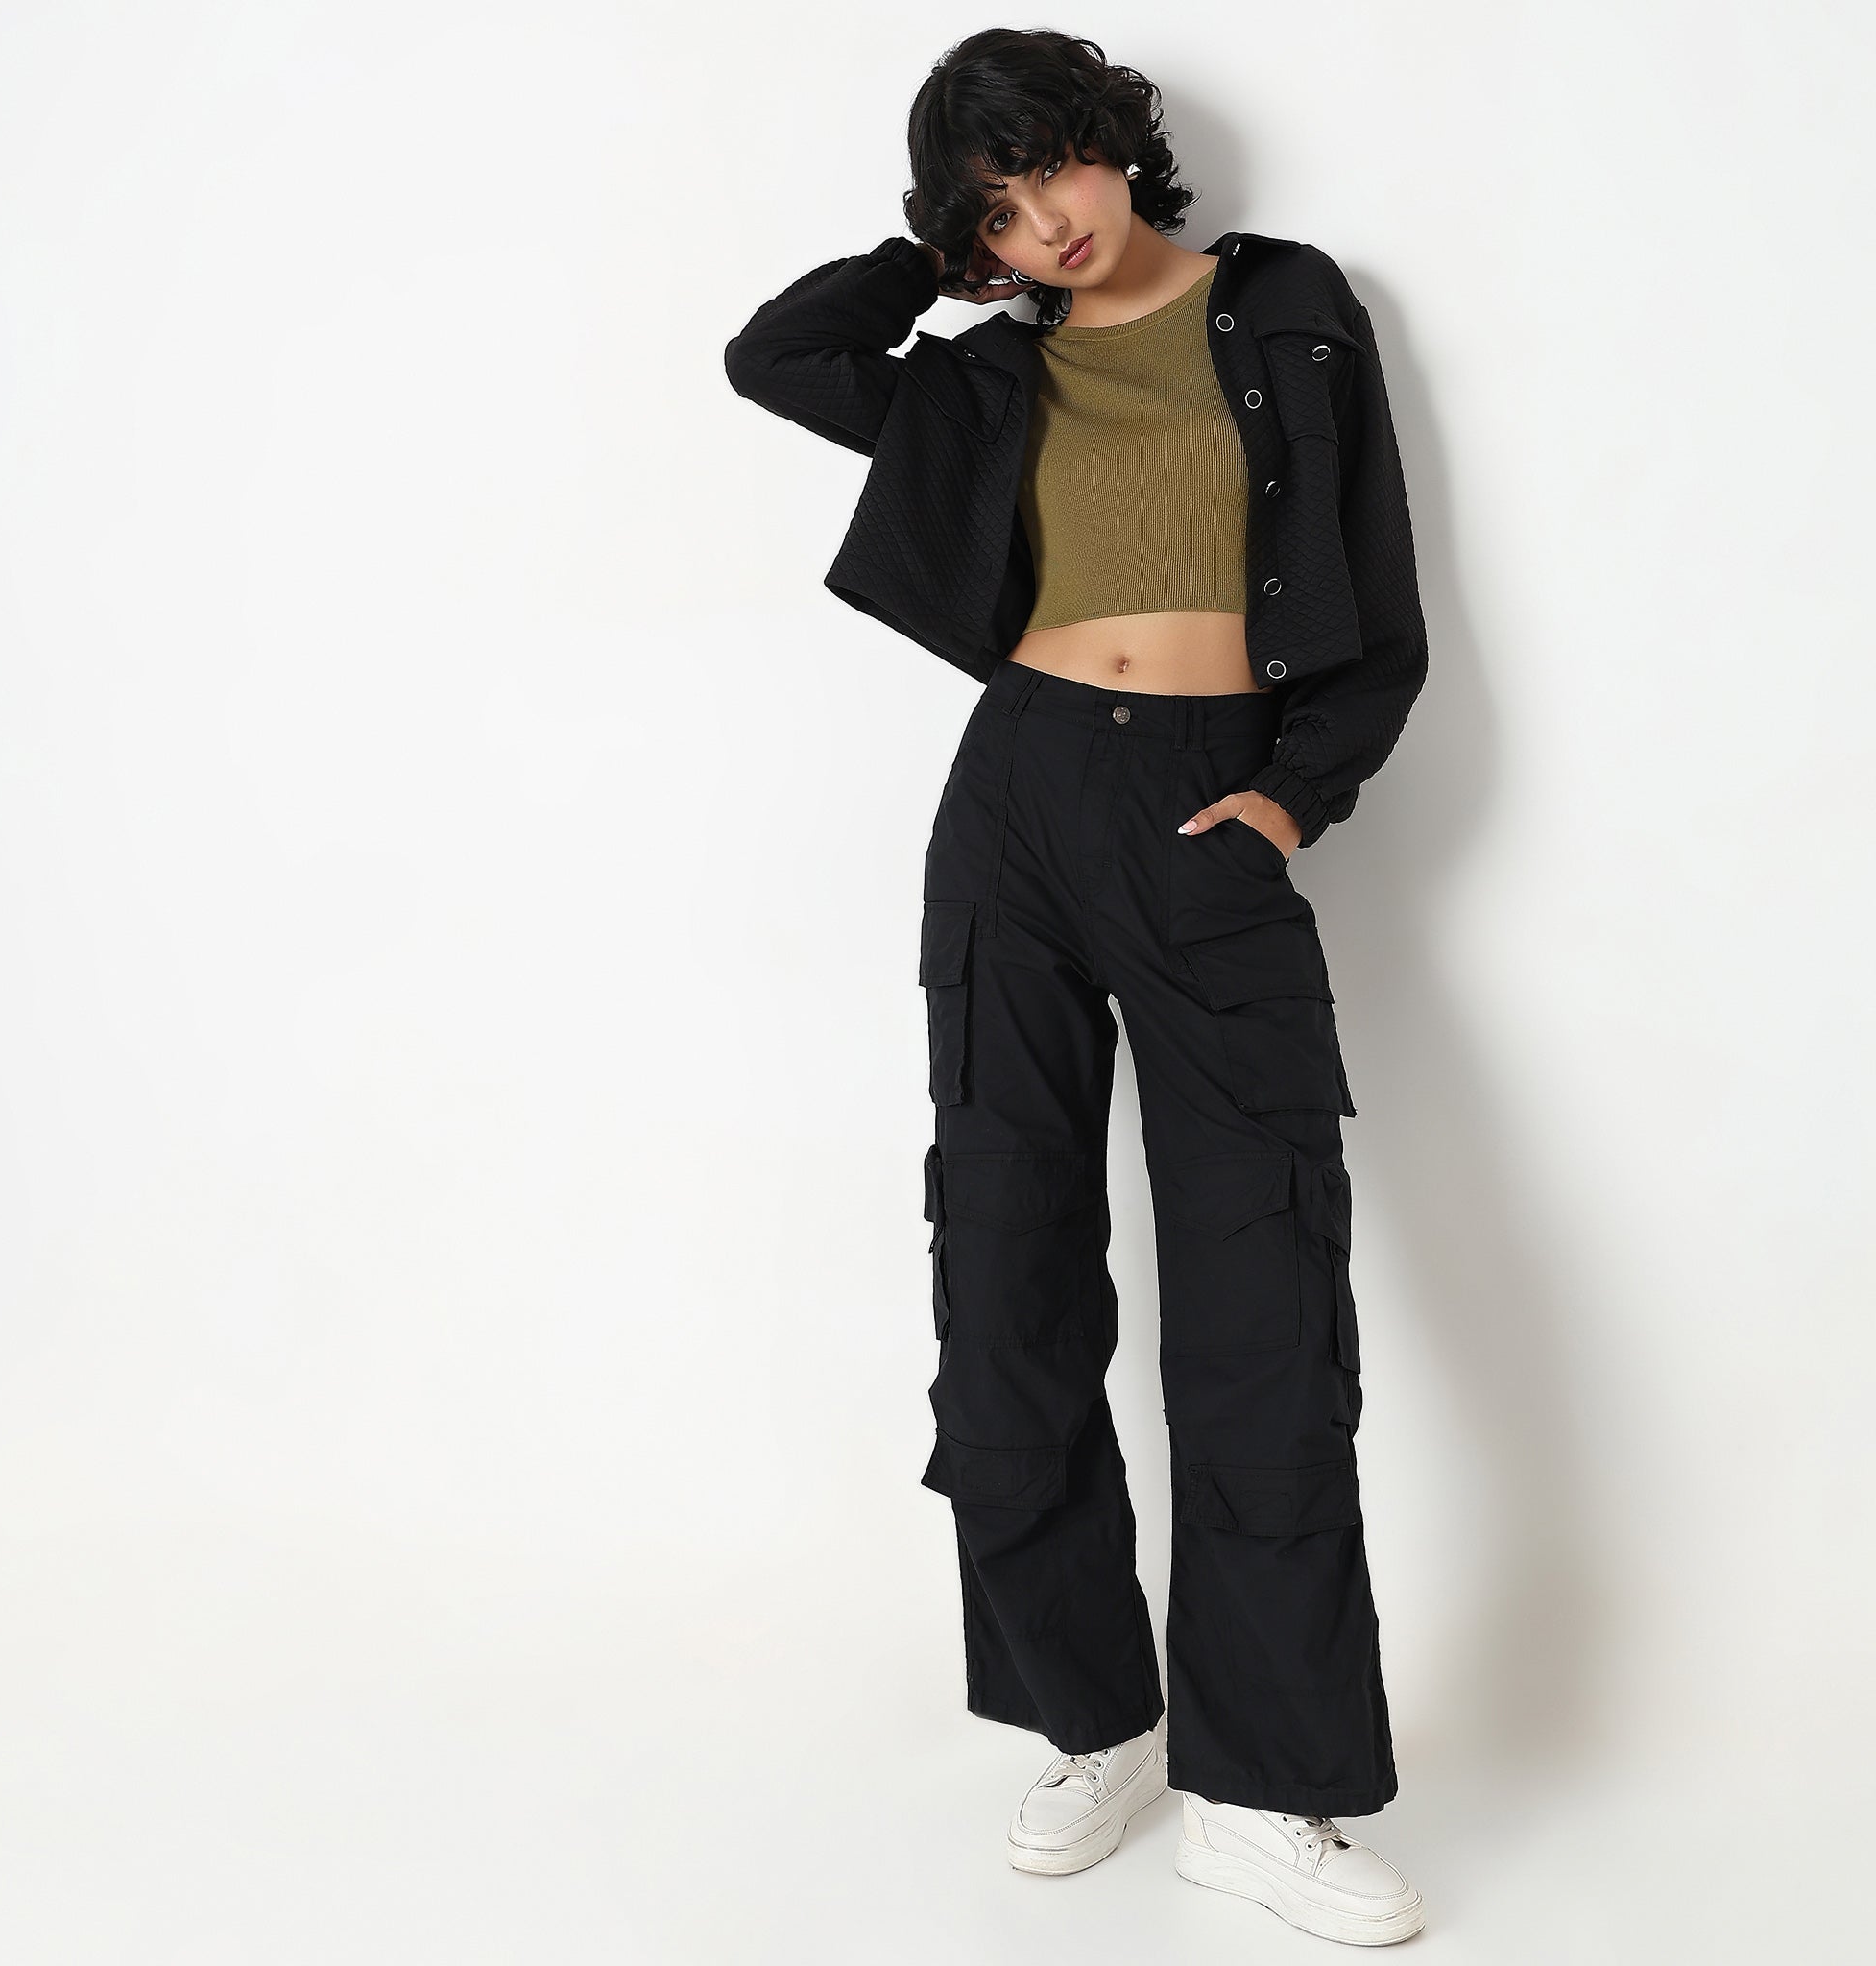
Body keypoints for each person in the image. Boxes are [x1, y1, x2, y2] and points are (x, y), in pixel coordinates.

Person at [723, 27, 1429, 1948]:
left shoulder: (1290, 309)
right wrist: (933, 253)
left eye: (1052, 170)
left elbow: (1374, 582)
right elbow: (776, 359)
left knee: (1261, 1296)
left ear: (1118, 142)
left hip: (1209, 815)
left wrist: (1291, 796)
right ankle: (1094, 1719)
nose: (1044, 224)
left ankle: (1260, 1787)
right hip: (1018, 804)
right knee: (1006, 1275)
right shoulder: (984, 373)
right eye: (999, 211)